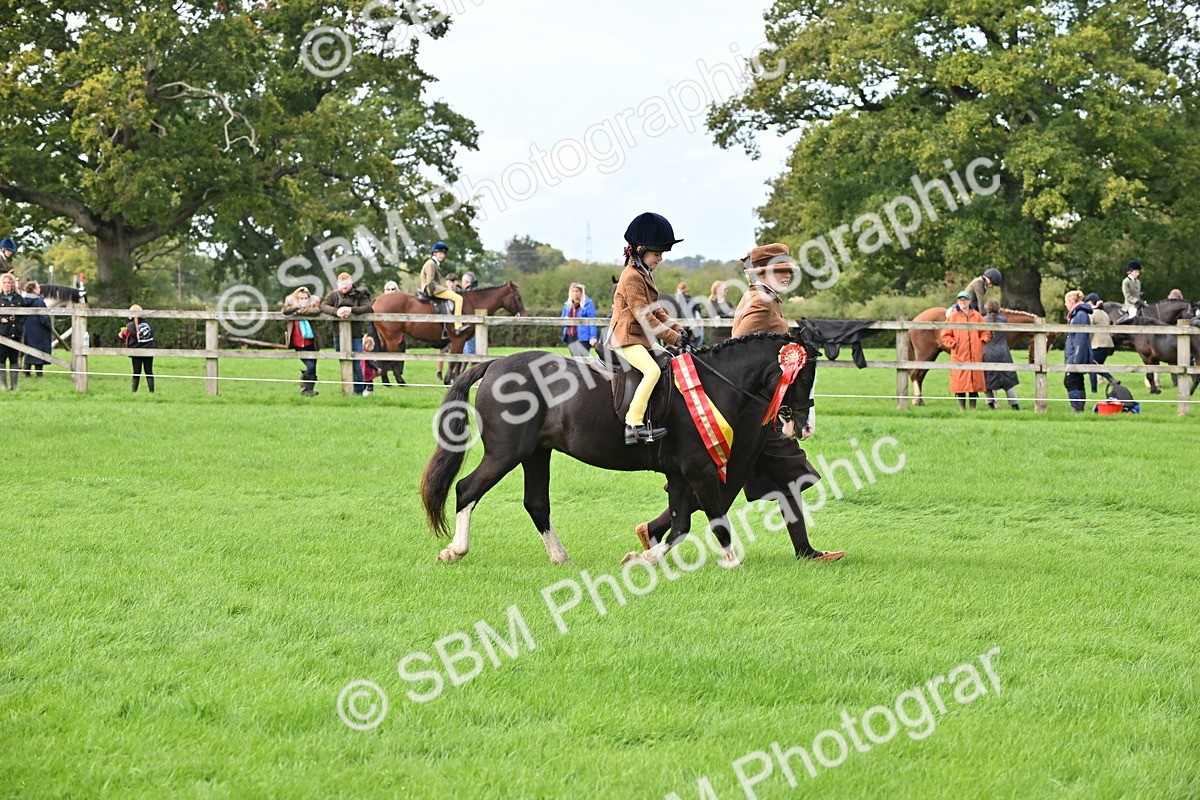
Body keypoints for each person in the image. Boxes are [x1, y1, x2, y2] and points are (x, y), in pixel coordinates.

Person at [635, 241, 843, 563]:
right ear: (761, 273)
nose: (786, 275)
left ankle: (804, 550)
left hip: (764, 410)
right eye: (779, 270)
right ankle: (656, 528)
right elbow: (740, 350)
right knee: (722, 481)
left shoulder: (767, 298)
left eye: (788, 270)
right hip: (751, 414)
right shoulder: (760, 302)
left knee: (787, 472)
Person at [608, 212, 688, 444]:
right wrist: (672, 338)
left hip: (639, 338)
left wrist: (678, 328)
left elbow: (656, 310)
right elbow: (644, 316)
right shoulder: (631, 277)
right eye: (657, 254)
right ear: (641, 250)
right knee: (652, 371)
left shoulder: (644, 273)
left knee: (668, 362)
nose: (660, 258)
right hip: (625, 338)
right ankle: (633, 425)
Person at [320, 272, 373, 395]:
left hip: (356, 335)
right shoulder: (333, 295)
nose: (344, 286)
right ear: (338, 284)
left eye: (346, 283)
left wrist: (351, 310)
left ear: (351, 283)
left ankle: (358, 392)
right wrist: (336, 311)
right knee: (343, 361)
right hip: (338, 334)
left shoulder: (360, 294)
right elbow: (323, 306)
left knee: (356, 363)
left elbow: (368, 307)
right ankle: (347, 390)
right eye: (341, 284)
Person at [941, 291, 991, 409]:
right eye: (960, 300)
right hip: (959, 354)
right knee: (960, 382)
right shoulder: (953, 317)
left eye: (965, 300)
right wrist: (954, 344)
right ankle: (962, 409)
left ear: (969, 301)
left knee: (975, 380)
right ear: (957, 302)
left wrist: (981, 341)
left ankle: (973, 408)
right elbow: (945, 335)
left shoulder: (977, 316)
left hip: (975, 355)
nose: (962, 302)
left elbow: (986, 332)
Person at [282, 286, 322, 397]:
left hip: (311, 343)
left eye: (305, 298)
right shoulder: (291, 307)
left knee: (313, 366)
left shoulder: (312, 306)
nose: (303, 301)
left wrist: (300, 311)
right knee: (310, 366)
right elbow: (284, 311)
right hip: (298, 343)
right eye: (301, 298)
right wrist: (297, 307)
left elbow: (317, 311)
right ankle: (304, 389)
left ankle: (310, 391)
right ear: (296, 299)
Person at [420, 242, 467, 336]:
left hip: (435, 287)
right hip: (432, 289)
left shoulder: (434, 263)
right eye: (440, 253)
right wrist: (431, 293)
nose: (442, 256)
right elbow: (430, 281)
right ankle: (458, 325)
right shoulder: (431, 264)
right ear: (434, 253)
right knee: (459, 298)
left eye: (444, 254)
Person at [981, 300, 1019, 410]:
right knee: (1008, 382)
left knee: (987, 380)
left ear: (987, 308)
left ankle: (990, 404)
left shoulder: (982, 320)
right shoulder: (1004, 320)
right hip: (1003, 352)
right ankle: (1015, 405)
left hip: (987, 352)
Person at [1063, 290, 1093, 413]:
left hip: (1076, 354)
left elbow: (1080, 338)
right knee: (1078, 381)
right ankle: (1079, 409)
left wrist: (1076, 359)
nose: (1065, 304)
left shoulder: (1080, 315)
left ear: (1071, 301)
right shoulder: (1077, 314)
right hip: (1074, 353)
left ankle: (1077, 408)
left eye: (1066, 301)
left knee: (1069, 381)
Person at [118, 304, 155, 393]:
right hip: (148, 350)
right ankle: (151, 391)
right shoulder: (149, 324)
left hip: (136, 351)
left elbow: (124, 335)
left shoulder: (130, 326)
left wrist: (121, 333)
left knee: (136, 372)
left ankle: (134, 391)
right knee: (149, 371)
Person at [20, 281, 52, 378]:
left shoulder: (22, 301)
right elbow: (44, 318)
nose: (40, 289)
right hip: (38, 330)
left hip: (26, 330)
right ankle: (39, 373)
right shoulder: (39, 302)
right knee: (39, 350)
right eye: (38, 287)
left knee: (28, 349)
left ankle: (26, 372)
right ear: (34, 289)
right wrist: (48, 326)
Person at [1085, 292, 1114, 393]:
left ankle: (1109, 381)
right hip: (1107, 345)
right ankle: (1109, 381)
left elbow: (1087, 327)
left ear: (1090, 302)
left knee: (1092, 366)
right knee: (1097, 366)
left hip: (1097, 344)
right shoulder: (1104, 314)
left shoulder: (1092, 314)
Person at [0, 272, 25, 391]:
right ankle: (3, 385)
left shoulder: (19, 298)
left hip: (16, 332)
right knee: (1, 359)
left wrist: (19, 324)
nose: (6, 285)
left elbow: (25, 314)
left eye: (9, 283)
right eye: (4, 282)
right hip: (2, 333)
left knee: (14, 359)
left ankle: (14, 386)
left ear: (12, 284)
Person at [561, 282, 598, 357]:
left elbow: (593, 321)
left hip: (583, 337)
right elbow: (562, 320)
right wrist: (565, 320)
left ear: (581, 292)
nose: (575, 293)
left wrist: (593, 337)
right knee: (574, 359)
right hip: (570, 336)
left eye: (577, 291)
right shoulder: (567, 305)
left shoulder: (588, 304)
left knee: (583, 358)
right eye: (573, 291)